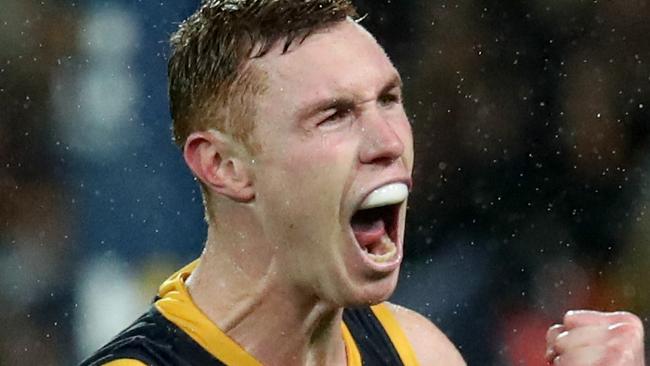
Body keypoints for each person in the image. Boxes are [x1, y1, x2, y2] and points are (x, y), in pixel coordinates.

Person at [80, 1, 645, 365]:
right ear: (225, 166)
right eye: (334, 115)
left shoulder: (416, 350)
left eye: (389, 100)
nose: (389, 141)